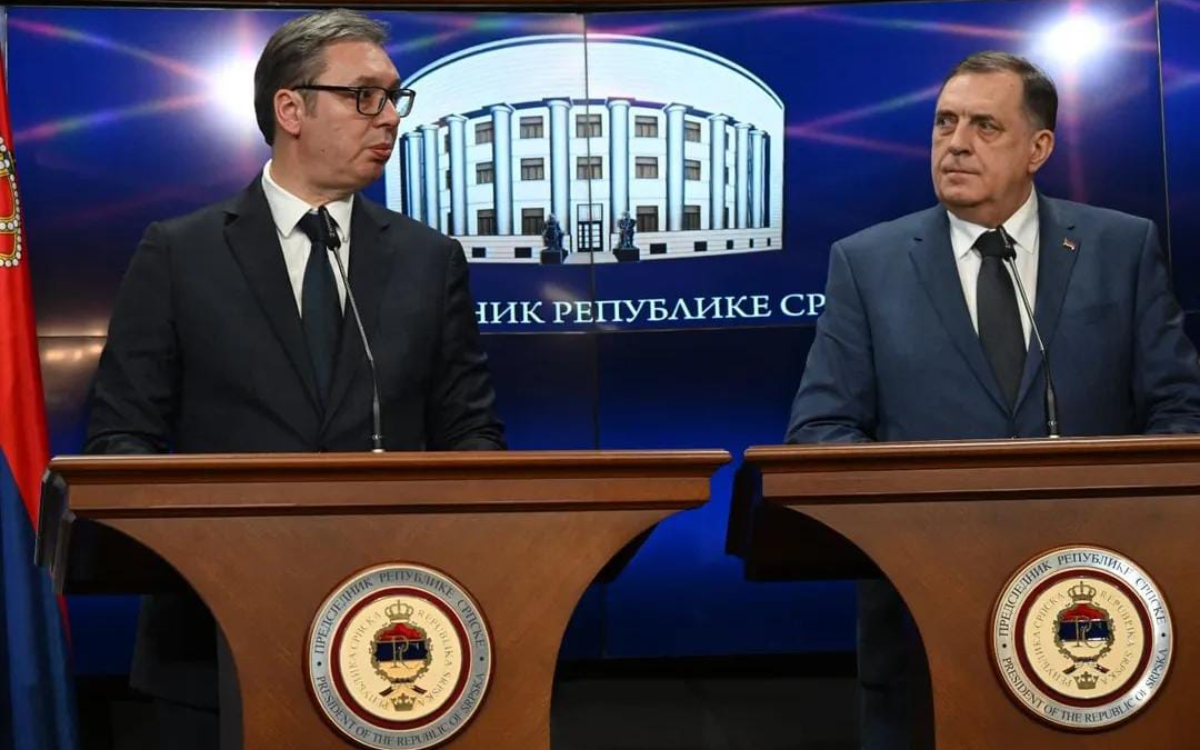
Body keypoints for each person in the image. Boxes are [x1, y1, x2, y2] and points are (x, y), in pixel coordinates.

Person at [84, 9, 504, 747]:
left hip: (393, 641)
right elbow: (123, 437)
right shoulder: (179, 254)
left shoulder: (428, 259)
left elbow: (470, 430)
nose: (389, 117)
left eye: (394, 98)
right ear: (291, 109)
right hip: (212, 644)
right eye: (364, 96)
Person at [786, 51, 1200, 749]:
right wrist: (930, 525)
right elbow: (820, 430)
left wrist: (1120, 525)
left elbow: (1180, 414)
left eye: (985, 126)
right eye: (944, 123)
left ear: (1039, 148)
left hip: (1099, 615)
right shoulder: (867, 263)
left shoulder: (1121, 248)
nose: (955, 144)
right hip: (925, 625)